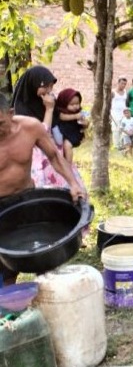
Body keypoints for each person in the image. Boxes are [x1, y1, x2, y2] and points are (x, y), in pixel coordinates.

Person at [0, 92, 85, 285]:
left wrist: (73, 184)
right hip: (1, 208)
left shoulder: (31, 128)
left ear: (11, 113)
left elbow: (55, 157)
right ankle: (8, 308)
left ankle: (51, 299)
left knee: (45, 261)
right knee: (5, 269)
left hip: (28, 200)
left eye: (0, 124)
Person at [10, 65, 89, 195]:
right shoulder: (22, 109)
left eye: (51, 86)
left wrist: (81, 125)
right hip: (40, 160)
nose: (49, 91)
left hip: (56, 155)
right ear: (33, 84)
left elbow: (61, 121)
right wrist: (49, 109)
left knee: (70, 191)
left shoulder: (48, 101)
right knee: (46, 194)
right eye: (45, 86)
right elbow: (42, 133)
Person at [52, 88, 89, 164]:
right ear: (64, 103)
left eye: (77, 104)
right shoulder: (60, 111)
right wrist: (75, 116)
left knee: (67, 145)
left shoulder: (79, 112)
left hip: (74, 133)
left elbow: (85, 123)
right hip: (63, 132)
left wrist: (85, 124)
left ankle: (68, 165)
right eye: (72, 104)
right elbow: (62, 117)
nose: (75, 106)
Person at [110, 77, 128, 150]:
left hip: (123, 113)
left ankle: (121, 144)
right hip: (114, 113)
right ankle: (116, 145)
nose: (123, 85)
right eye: (122, 83)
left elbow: (125, 102)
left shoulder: (125, 92)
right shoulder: (113, 92)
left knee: (122, 128)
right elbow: (108, 102)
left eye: (125, 84)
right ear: (118, 83)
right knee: (116, 129)